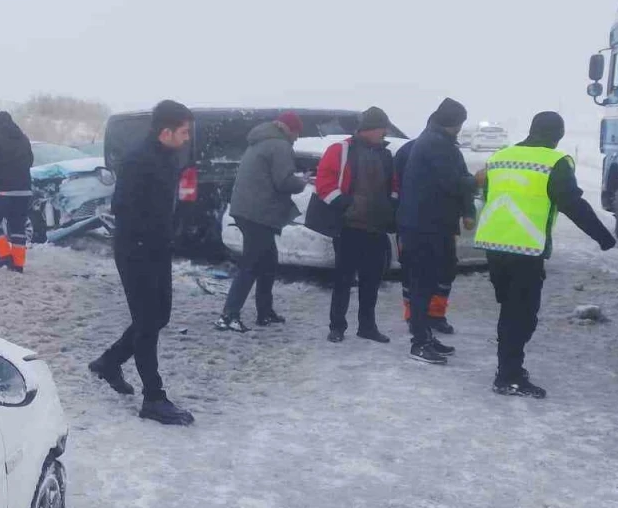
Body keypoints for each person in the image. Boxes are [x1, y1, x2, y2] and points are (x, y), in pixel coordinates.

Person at [474, 111, 615, 397]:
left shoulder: (500, 156)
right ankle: (508, 376)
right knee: (521, 315)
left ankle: (510, 367)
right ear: (558, 135)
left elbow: (486, 193)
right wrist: (603, 237)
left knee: (511, 312)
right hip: (525, 249)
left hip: (494, 246)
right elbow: (573, 205)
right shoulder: (554, 162)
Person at [89, 100, 196, 426]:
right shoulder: (139, 160)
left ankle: (109, 362)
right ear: (166, 132)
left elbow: (166, 204)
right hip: (136, 251)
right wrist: (150, 238)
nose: (187, 138)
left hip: (158, 249)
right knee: (148, 323)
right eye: (184, 132)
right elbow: (124, 207)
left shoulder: (169, 156)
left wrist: (173, 231)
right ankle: (154, 398)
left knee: (159, 315)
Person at [397, 98, 477, 365]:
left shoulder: (439, 142)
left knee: (430, 282)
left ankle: (426, 335)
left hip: (433, 225)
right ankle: (419, 342)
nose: (460, 128)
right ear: (453, 122)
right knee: (422, 283)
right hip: (423, 227)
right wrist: (475, 181)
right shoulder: (434, 144)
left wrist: (466, 210)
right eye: (460, 123)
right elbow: (452, 183)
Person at [214, 111, 308, 332]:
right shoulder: (279, 145)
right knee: (252, 264)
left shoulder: (260, 141)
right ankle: (228, 316)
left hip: (246, 209)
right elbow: (284, 182)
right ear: (289, 129)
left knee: (268, 262)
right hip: (259, 213)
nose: (296, 138)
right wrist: (302, 182)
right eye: (296, 133)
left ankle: (265, 312)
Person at [315, 106, 396, 344]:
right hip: (349, 227)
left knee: (371, 281)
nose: (385, 133)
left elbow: (393, 185)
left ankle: (367, 327)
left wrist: (392, 206)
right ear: (371, 129)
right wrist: (344, 203)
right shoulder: (340, 149)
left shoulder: (385, 154)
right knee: (343, 280)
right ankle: (337, 327)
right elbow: (324, 182)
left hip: (376, 227)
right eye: (383, 128)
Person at [395, 137, 464, 336]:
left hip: (444, 225)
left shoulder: (452, 151)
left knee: (445, 271)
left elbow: (459, 184)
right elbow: (395, 185)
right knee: (412, 272)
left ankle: (436, 315)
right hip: (413, 224)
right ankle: (414, 317)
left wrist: (465, 211)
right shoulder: (407, 152)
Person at [0, 111, 35, 273]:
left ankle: (4, 253)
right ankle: (18, 264)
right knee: (18, 227)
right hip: (24, 191)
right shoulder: (24, 138)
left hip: (2, 191)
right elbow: (30, 160)